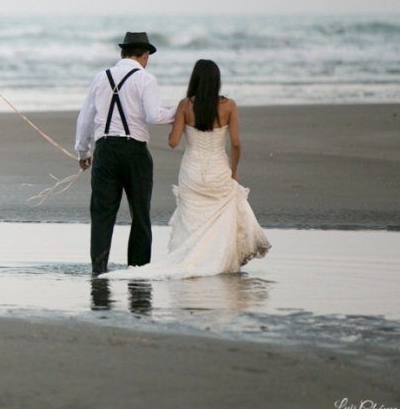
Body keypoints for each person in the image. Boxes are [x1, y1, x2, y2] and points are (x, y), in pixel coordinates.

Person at [101, 59, 271, 279]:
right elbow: (236, 143)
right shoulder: (229, 106)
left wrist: (178, 122)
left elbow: (173, 142)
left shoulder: (185, 105)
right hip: (218, 169)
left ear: (195, 79)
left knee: (193, 219)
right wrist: (234, 171)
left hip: (191, 171)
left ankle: (191, 258)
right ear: (216, 81)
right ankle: (216, 259)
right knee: (220, 217)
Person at [75, 31, 177, 276]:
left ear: (122, 53)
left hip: (105, 151)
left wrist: (82, 151)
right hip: (134, 153)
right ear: (145, 56)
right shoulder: (146, 79)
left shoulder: (101, 77)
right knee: (140, 214)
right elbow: (154, 116)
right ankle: (138, 271)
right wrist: (178, 111)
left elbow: (85, 118)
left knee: (102, 214)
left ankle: (99, 269)